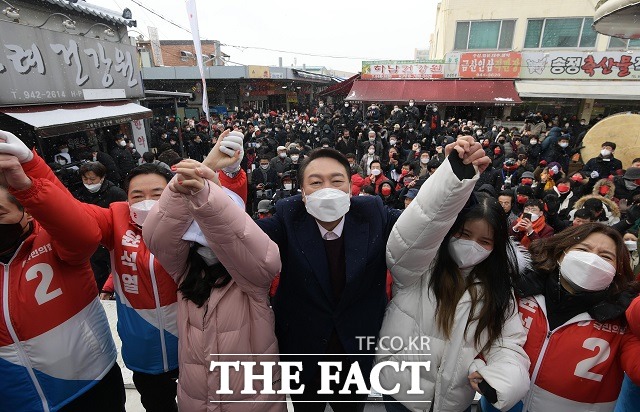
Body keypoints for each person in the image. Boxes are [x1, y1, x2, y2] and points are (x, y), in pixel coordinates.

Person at [378, 136, 530, 412]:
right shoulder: (418, 266)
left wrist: (500, 380)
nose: (472, 246)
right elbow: (420, 225)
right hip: (401, 390)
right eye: (464, 234)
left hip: (453, 400)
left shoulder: (497, 287)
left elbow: (508, 344)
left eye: (484, 242)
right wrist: (454, 177)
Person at [255, 147, 403, 411]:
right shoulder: (288, 217)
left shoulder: (373, 213)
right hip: (303, 353)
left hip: (354, 353)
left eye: (336, 181)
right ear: (301, 193)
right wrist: (210, 188)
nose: (327, 189)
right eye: (315, 182)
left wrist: (457, 176)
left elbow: (425, 222)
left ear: (349, 188)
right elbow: (239, 233)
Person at [143, 140, 285, 411]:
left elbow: (257, 253)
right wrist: (190, 179)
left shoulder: (252, 279)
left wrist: (208, 196)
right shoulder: (184, 271)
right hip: (196, 399)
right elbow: (157, 236)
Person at [0, 134, 125, 411]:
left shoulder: (52, 239)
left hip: (88, 383)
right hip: (16, 397)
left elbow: (83, 230)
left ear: (28, 212)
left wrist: (30, 175)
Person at [481, 223, 640, 412]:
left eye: (605, 256)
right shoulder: (519, 291)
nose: (592, 259)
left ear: (617, 270)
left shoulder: (623, 318)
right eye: (583, 249)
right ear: (561, 254)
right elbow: (482, 331)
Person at [75, 161, 127, 290]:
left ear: (102, 177)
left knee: (118, 271)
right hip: (92, 242)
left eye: (92, 179)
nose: (89, 183)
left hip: (113, 239)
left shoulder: (116, 193)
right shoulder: (78, 194)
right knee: (97, 274)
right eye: (85, 179)